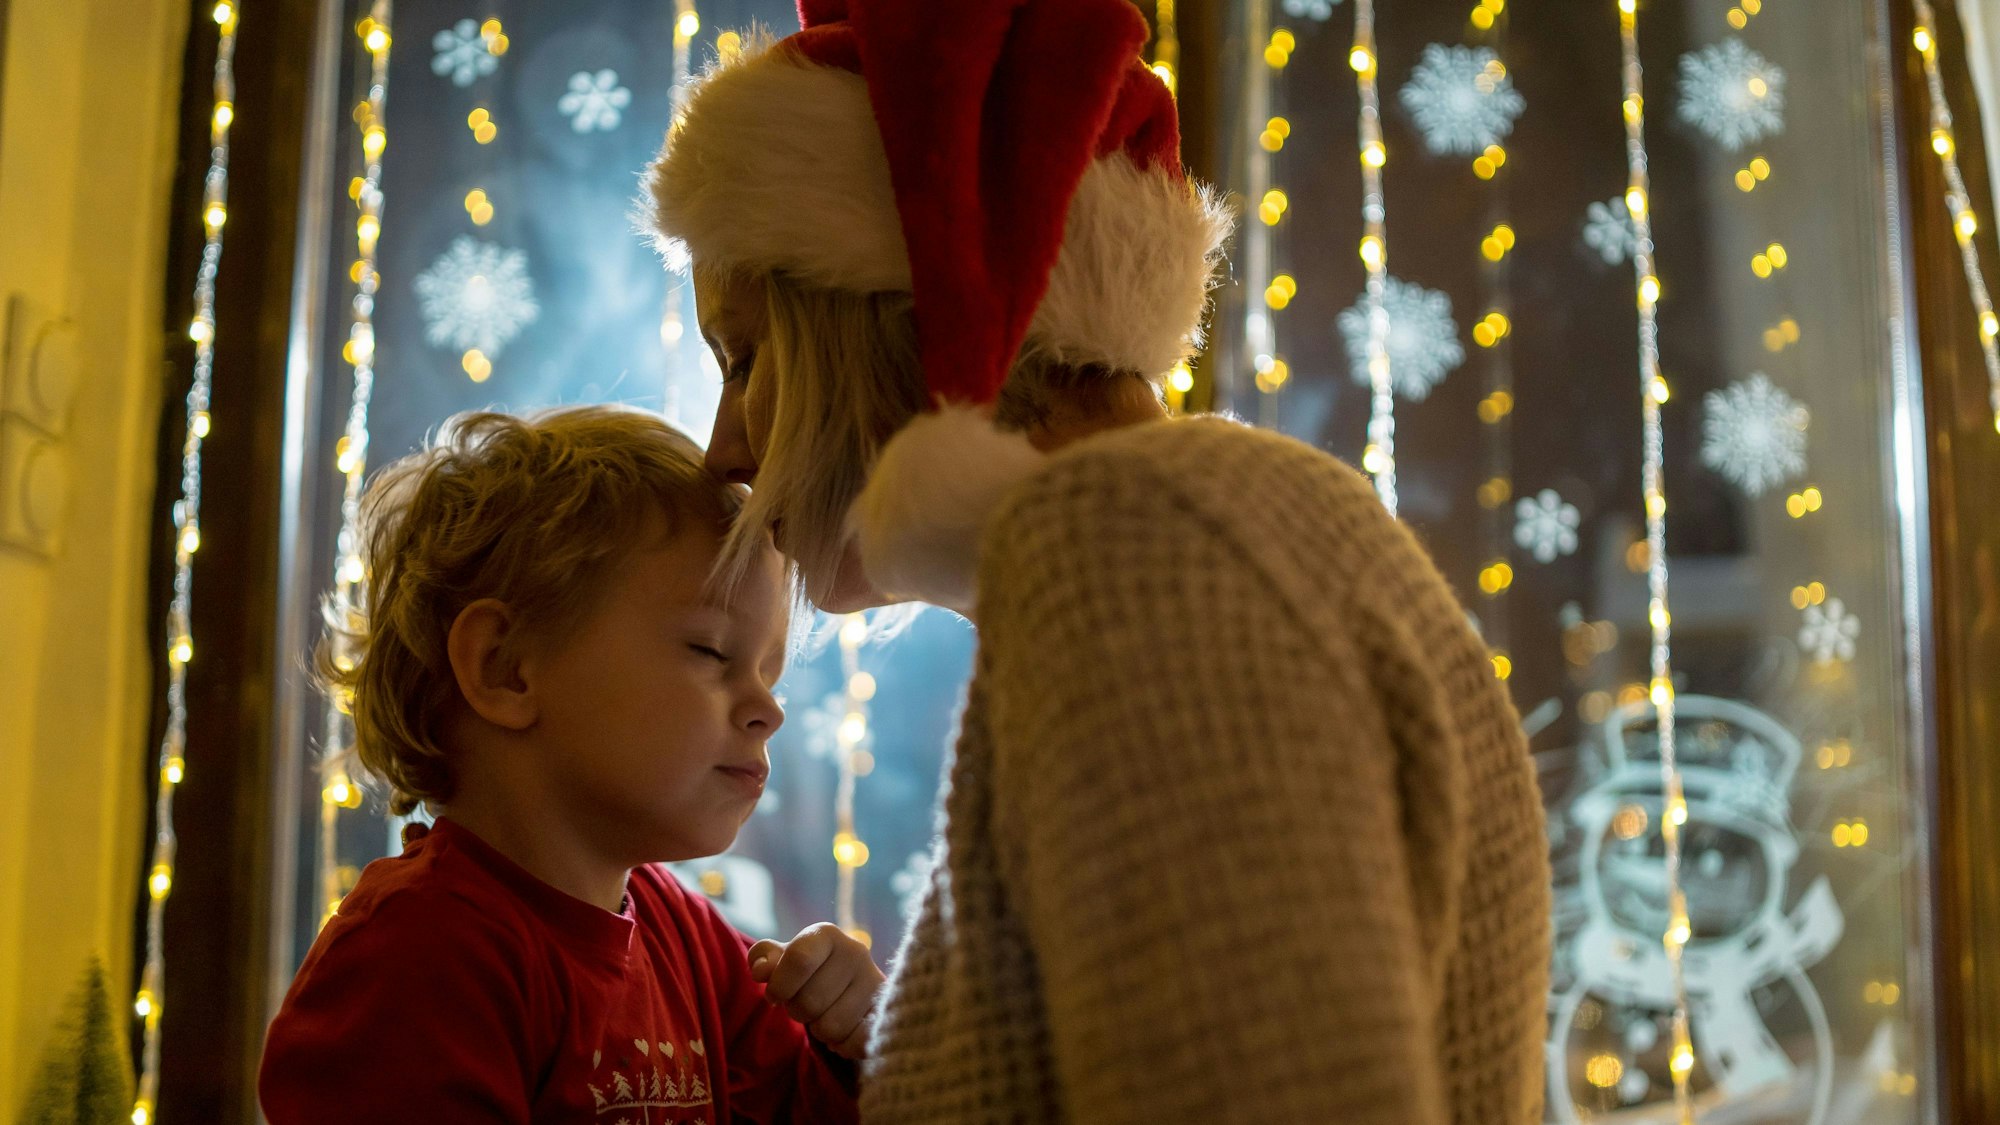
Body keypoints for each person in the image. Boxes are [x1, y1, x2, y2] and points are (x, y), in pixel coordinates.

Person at [646, 1, 1553, 1122]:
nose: (725, 451)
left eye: (745, 357)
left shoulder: (1135, 548)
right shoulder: (1204, 529)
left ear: (899, 312)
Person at [259, 406, 880, 1124]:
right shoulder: (414, 960)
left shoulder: (681, 932)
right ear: (505, 667)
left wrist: (852, 1044)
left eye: (770, 675)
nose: (768, 709)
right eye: (711, 651)